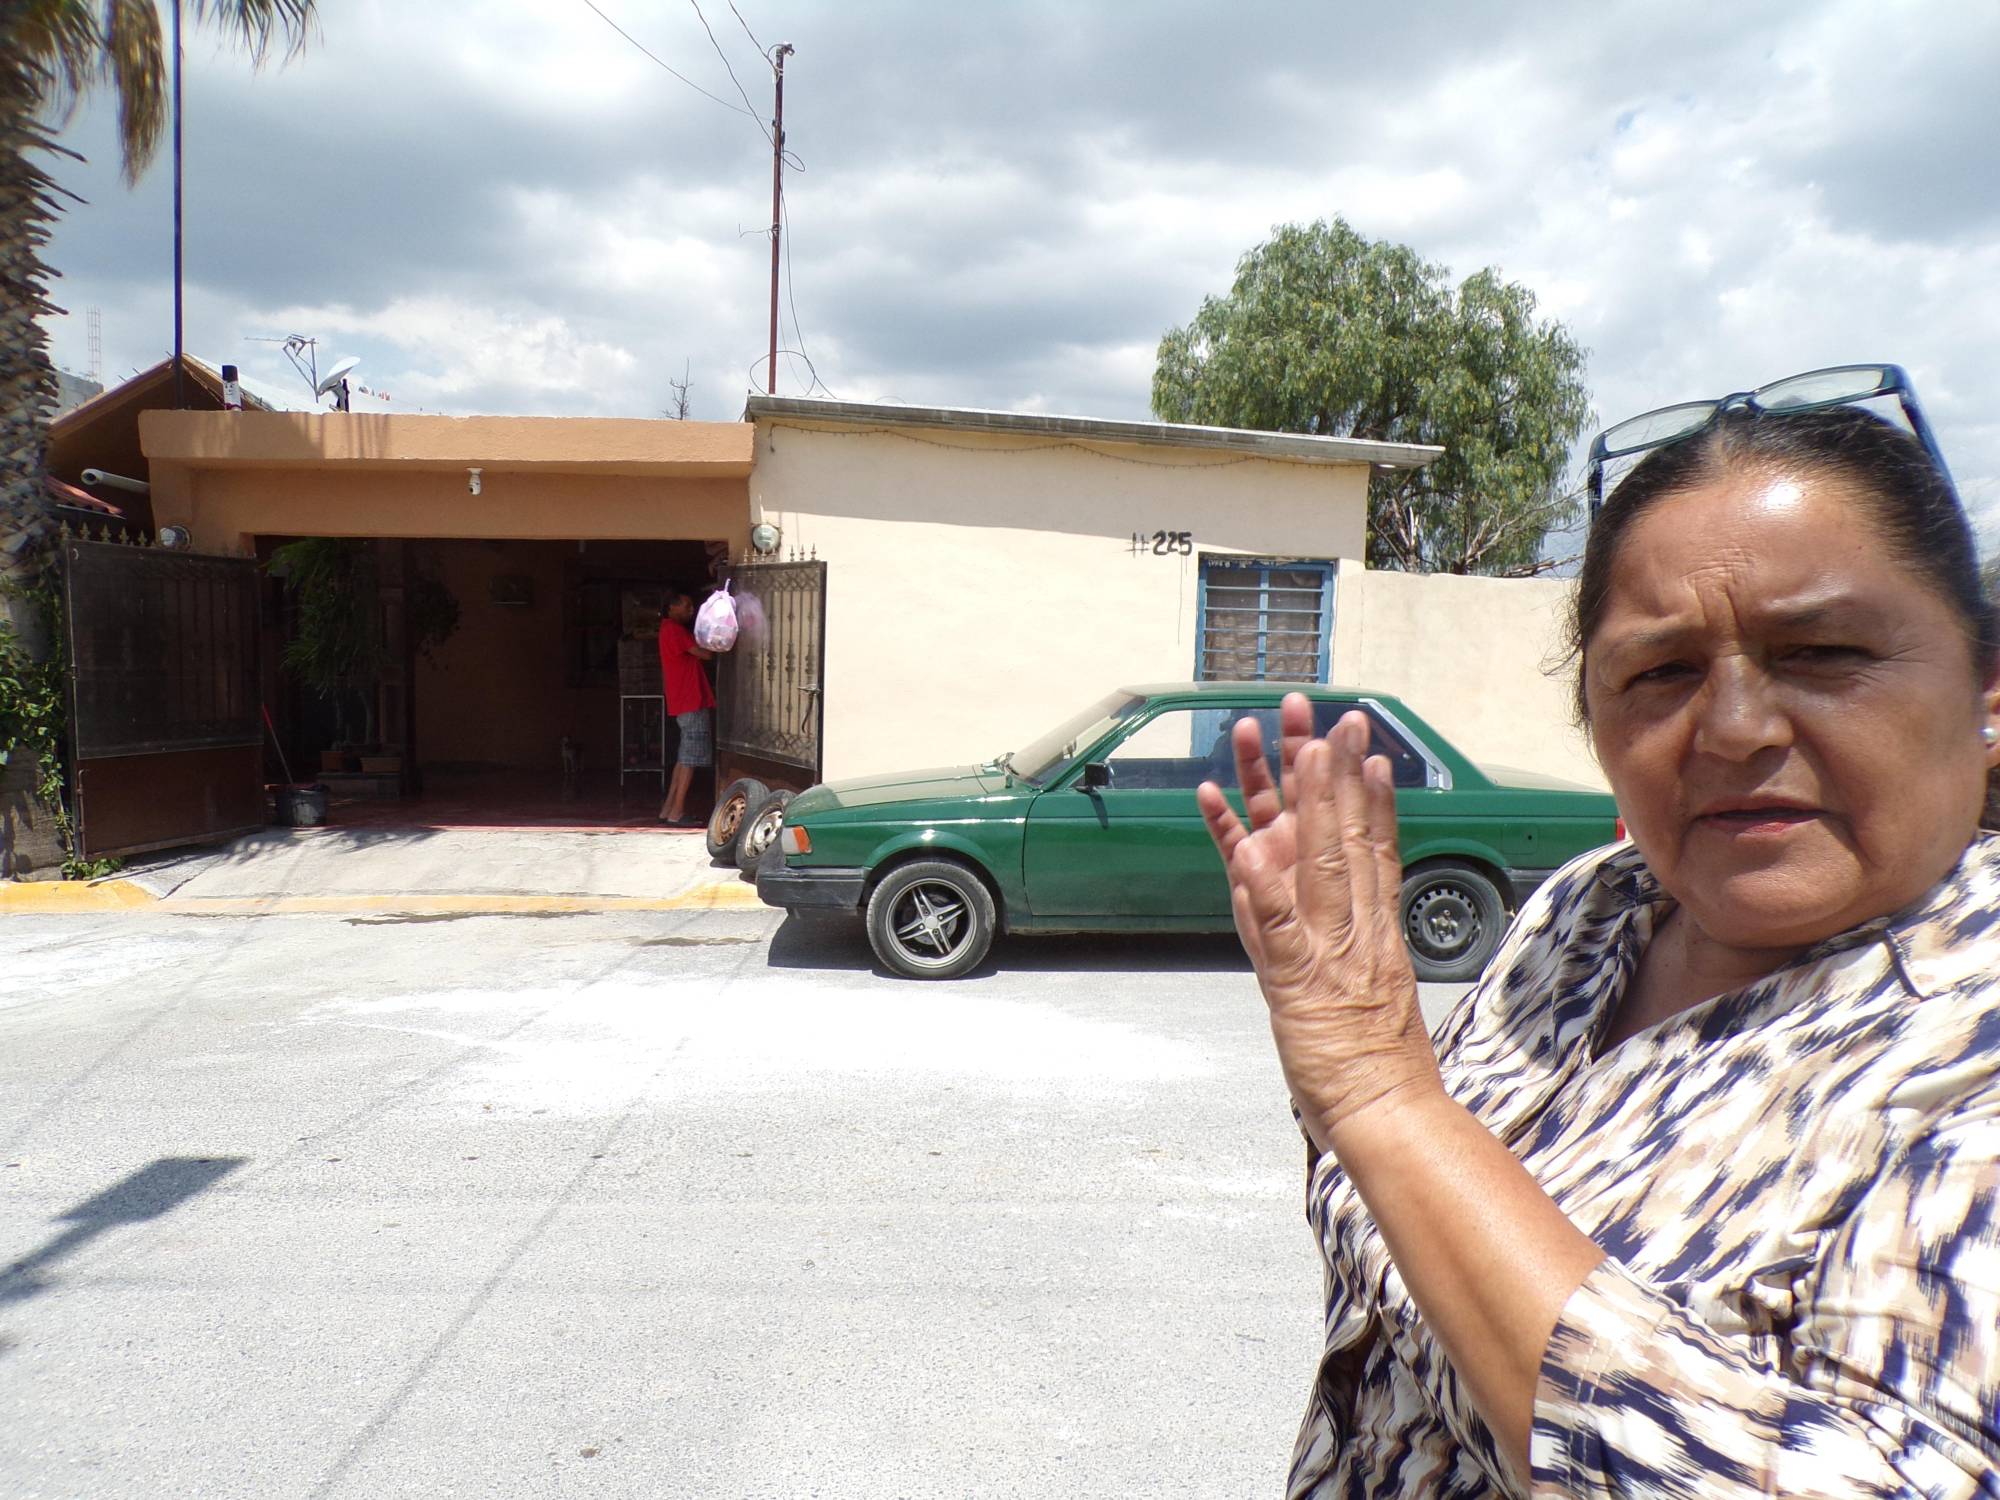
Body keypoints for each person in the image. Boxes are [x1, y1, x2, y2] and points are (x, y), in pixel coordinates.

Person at [1197, 383, 2000, 1497]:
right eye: (1660, 673)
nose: (1730, 729)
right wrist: (1341, 1078)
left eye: (1819, 650)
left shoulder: (1967, 1047)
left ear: (1983, 690)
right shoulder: (1589, 914)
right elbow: (1392, 1215)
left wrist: (1381, 1094)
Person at [657, 587, 715, 826]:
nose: (691, 610)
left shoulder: (666, 630)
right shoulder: (675, 630)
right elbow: (705, 654)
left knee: (683, 757)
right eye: (687, 605)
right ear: (671, 607)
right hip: (690, 700)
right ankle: (677, 812)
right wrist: (717, 635)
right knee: (690, 758)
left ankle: (668, 808)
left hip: (681, 700)